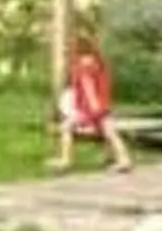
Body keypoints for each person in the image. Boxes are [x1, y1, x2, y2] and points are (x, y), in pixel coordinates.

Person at [49, 33, 133, 173]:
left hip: (90, 108)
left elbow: (88, 88)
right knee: (110, 132)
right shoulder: (98, 62)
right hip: (103, 106)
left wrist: (91, 114)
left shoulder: (83, 65)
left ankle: (66, 160)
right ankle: (124, 160)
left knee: (66, 127)